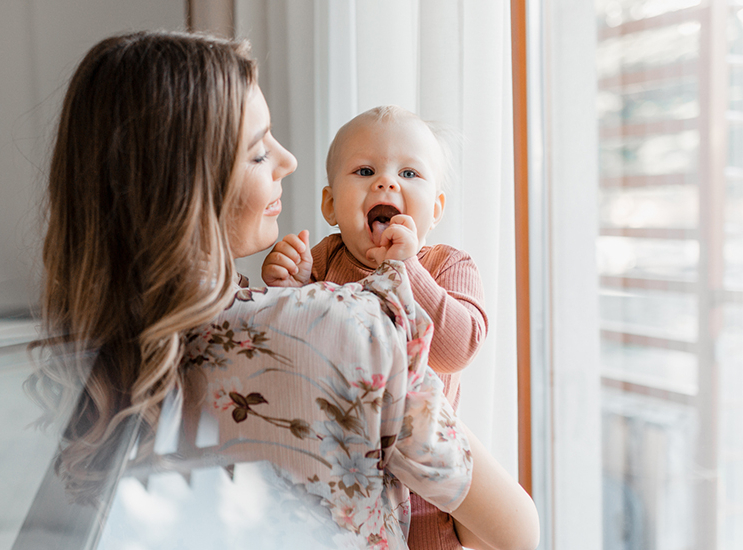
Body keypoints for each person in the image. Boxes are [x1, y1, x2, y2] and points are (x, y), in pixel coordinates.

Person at [27, 30, 537, 550]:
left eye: (409, 172)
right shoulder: (354, 330)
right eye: (257, 152)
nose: (288, 159)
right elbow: (517, 530)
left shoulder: (96, 360)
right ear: (187, 188)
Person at [261, 106, 488, 548]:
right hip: (336, 473)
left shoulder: (445, 265)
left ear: (436, 209)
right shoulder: (323, 261)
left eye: (409, 173)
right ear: (330, 205)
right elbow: (295, 355)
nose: (386, 182)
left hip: (421, 482)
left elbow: (457, 349)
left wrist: (408, 271)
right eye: (365, 170)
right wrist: (293, 288)